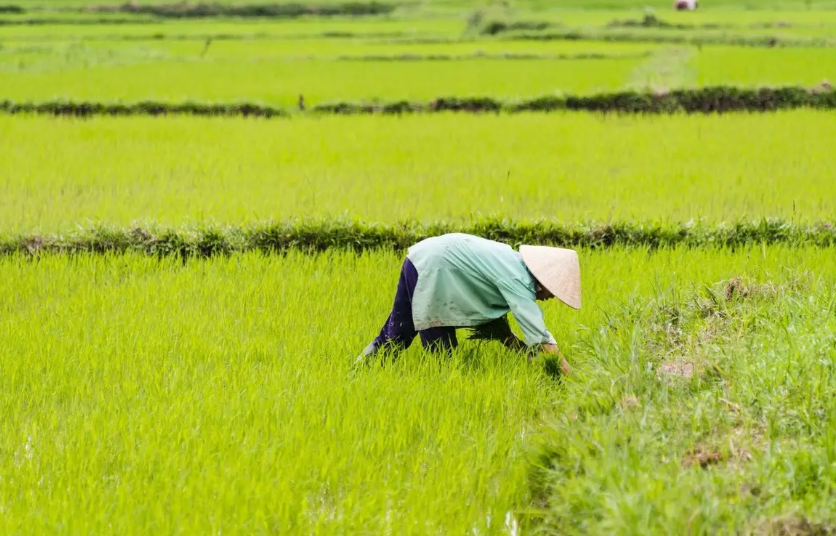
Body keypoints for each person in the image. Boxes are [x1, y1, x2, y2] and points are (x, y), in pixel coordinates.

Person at [356, 233, 581, 373]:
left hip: (420, 259)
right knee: (442, 361)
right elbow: (540, 336)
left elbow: (497, 327)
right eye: (555, 289)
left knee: (395, 335)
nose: (553, 297)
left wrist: (522, 353)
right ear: (544, 279)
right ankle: (439, 405)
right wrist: (570, 376)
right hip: (435, 271)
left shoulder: (512, 263)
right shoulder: (518, 280)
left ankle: (358, 371)